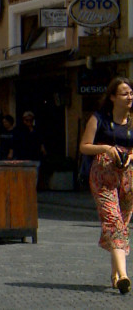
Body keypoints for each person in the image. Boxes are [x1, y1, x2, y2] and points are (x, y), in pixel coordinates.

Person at [79, 77, 133, 294]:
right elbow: (84, 147)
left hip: (128, 177)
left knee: (122, 222)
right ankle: (125, 276)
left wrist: (130, 156)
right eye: (124, 93)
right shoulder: (98, 118)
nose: (129, 97)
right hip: (103, 176)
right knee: (113, 221)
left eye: (131, 93)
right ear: (112, 97)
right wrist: (106, 148)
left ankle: (116, 274)